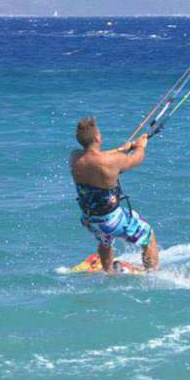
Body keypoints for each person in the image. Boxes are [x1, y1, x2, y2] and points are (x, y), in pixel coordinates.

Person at [69, 116, 159, 272]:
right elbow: (137, 159)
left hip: (90, 220)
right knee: (148, 235)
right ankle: (153, 274)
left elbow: (97, 157)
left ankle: (109, 273)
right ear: (97, 138)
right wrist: (140, 146)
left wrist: (121, 150)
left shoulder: (74, 157)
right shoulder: (111, 161)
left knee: (105, 240)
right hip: (112, 220)